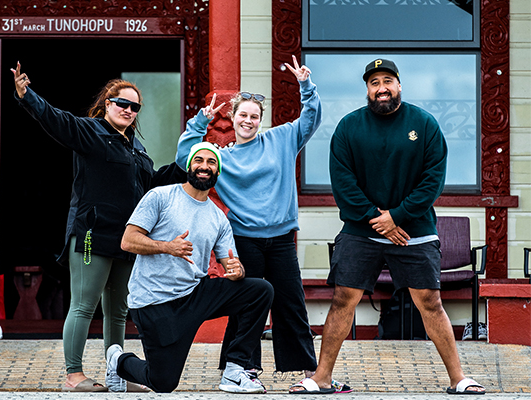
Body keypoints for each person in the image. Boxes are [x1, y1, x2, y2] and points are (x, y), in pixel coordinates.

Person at [289, 59, 485, 395]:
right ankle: (321, 378)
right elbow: (343, 183)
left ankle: (458, 379)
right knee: (342, 299)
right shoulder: (349, 127)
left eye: (388, 81)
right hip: (360, 229)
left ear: (399, 85)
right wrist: (378, 220)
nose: (382, 88)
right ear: (367, 89)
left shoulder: (423, 124)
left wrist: (397, 216)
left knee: (430, 301)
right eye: (374, 82)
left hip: (415, 228)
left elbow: (433, 180)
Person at [11, 62, 185, 392]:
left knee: (118, 312)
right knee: (84, 304)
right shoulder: (90, 132)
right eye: (123, 103)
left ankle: (116, 375)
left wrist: (184, 165)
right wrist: (26, 95)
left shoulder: (137, 150)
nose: (129, 110)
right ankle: (74, 375)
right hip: (91, 235)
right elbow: (55, 119)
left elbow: (154, 185)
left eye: (135, 107)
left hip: (125, 239)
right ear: (108, 103)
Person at [174, 55, 334, 386]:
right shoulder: (222, 157)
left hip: (281, 240)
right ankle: (242, 369)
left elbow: (312, 118)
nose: (248, 120)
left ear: (261, 120)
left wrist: (306, 85)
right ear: (231, 118)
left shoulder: (282, 139)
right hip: (244, 241)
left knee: (291, 303)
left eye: (254, 116)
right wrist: (198, 123)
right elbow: (184, 157)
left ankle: (310, 372)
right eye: (243, 115)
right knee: (248, 303)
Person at [106, 142, 274, 393]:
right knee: (162, 383)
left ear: (217, 172)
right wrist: (167, 247)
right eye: (199, 160)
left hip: (194, 294)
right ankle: (118, 361)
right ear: (189, 165)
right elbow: (128, 241)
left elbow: (230, 262)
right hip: (154, 302)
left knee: (260, 291)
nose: (204, 166)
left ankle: (235, 369)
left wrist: (237, 270)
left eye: (211, 162)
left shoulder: (218, 217)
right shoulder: (161, 197)